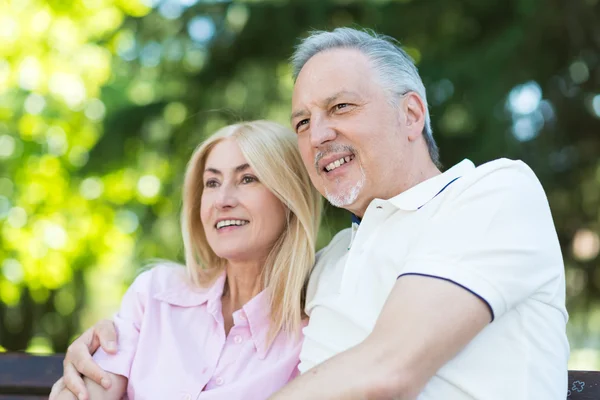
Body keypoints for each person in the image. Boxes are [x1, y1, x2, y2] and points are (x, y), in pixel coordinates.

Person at [52, 27, 569, 400]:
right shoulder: (332, 261)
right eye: (302, 121)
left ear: (411, 114)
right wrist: (115, 341)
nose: (318, 134)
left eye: (340, 108)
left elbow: (388, 371)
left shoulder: (490, 192)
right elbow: (227, 308)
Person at [52, 120, 322, 400]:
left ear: (292, 196)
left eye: (247, 178)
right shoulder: (155, 295)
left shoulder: (315, 330)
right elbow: (85, 394)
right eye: (212, 183)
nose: (222, 200)